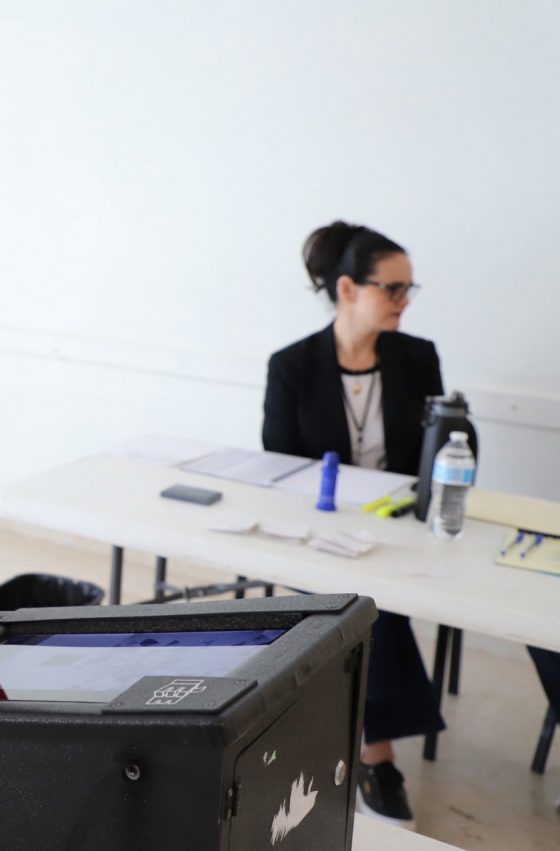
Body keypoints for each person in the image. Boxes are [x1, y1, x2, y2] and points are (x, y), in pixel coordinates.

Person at [262, 221, 443, 830]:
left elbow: (435, 456)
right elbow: (279, 470)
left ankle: (369, 747)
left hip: (402, 530)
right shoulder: (292, 366)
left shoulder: (418, 358)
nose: (404, 300)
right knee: (370, 605)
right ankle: (377, 758)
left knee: (378, 596)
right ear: (347, 289)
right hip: (321, 536)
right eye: (393, 288)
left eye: (409, 288)